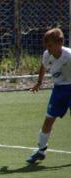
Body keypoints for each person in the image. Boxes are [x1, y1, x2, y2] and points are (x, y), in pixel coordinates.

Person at [27, 28, 71, 163]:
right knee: (48, 120)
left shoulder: (69, 55)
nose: (48, 48)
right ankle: (41, 150)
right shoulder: (47, 55)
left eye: (50, 45)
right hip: (58, 91)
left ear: (60, 43)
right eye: (46, 45)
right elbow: (43, 67)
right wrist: (39, 83)